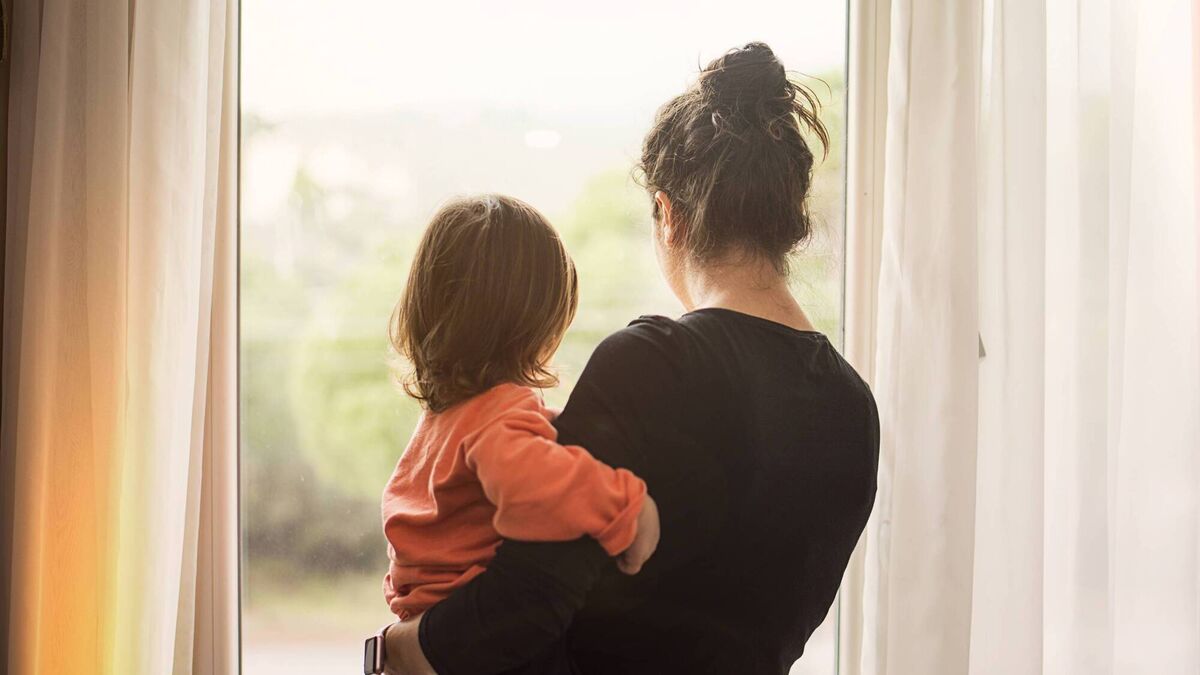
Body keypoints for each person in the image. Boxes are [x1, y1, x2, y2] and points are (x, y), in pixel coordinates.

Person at [383, 42, 880, 675]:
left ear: (668, 216)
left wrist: (387, 649)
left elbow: (521, 608)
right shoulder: (852, 408)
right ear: (786, 220)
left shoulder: (653, 364)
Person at [379, 195, 661, 624]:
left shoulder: (444, 419)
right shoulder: (498, 417)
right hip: (473, 633)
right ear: (535, 325)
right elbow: (540, 488)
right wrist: (627, 508)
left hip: (426, 621)